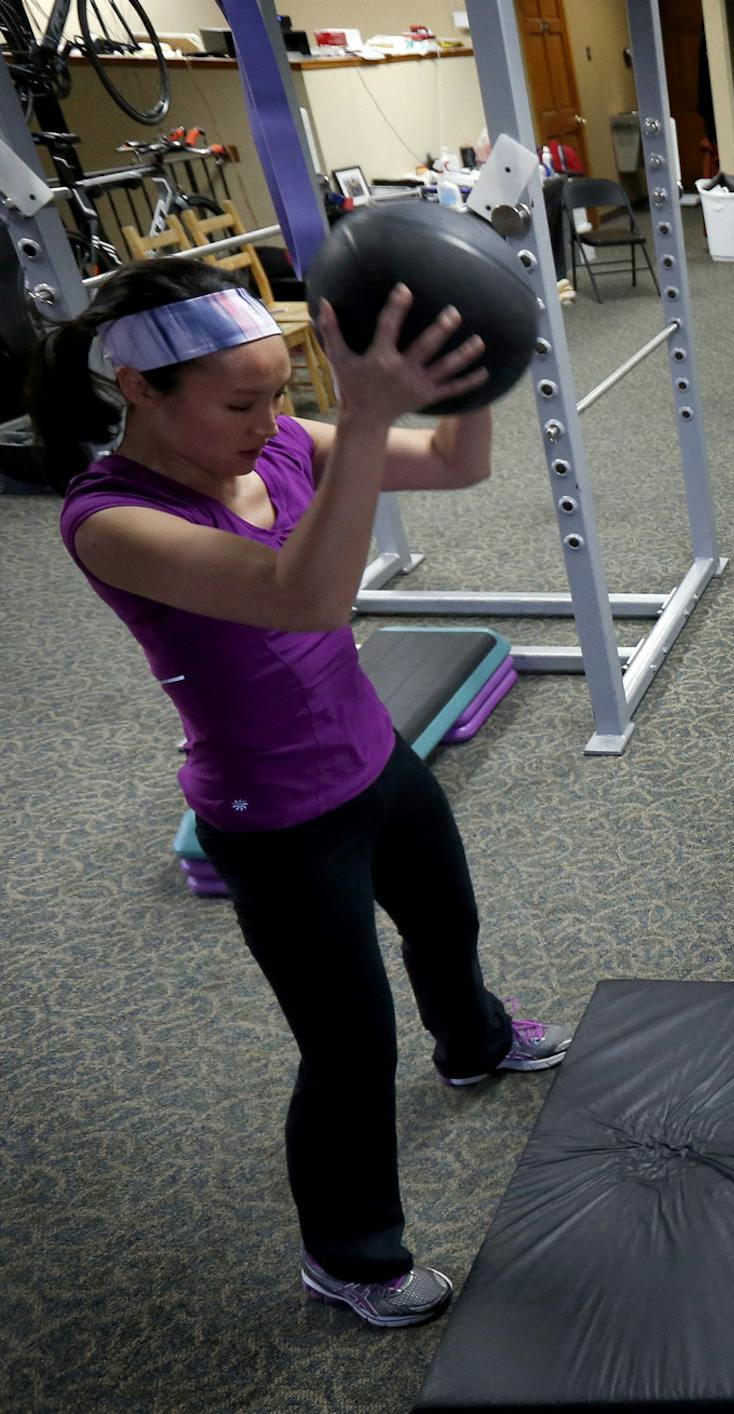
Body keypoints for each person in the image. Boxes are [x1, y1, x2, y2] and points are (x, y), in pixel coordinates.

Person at [28, 258, 573, 1326]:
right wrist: (358, 423)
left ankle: (475, 1044)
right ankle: (351, 1257)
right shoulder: (108, 519)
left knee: (447, 924)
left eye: (283, 390)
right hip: (276, 822)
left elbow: (456, 466)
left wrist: (473, 369)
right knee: (349, 1048)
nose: (272, 418)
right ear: (140, 387)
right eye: (243, 400)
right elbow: (307, 599)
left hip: (376, 755)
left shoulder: (277, 443)